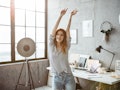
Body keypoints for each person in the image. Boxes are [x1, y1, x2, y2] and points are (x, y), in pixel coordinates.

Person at [49, 8, 77, 90]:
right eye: (57, 34)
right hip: (56, 78)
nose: (59, 36)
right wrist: (60, 16)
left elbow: (67, 29)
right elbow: (53, 30)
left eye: (62, 35)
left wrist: (70, 16)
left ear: (64, 37)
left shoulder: (66, 46)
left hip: (68, 76)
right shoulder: (51, 45)